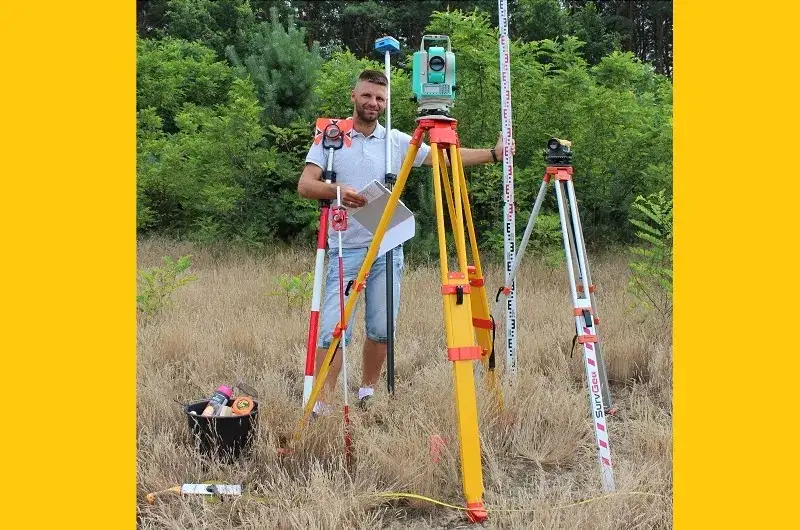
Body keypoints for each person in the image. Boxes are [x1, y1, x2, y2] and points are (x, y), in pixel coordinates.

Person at [298, 69, 514, 414]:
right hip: (345, 248)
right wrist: (337, 191)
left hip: (387, 247)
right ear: (354, 96)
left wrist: (493, 153)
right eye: (367, 95)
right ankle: (322, 402)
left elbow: (444, 157)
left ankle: (368, 390)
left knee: (381, 328)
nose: (373, 103)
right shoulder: (331, 136)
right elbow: (306, 185)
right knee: (333, 330)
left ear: (386, 103)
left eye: (380, 98)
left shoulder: (396, 141)